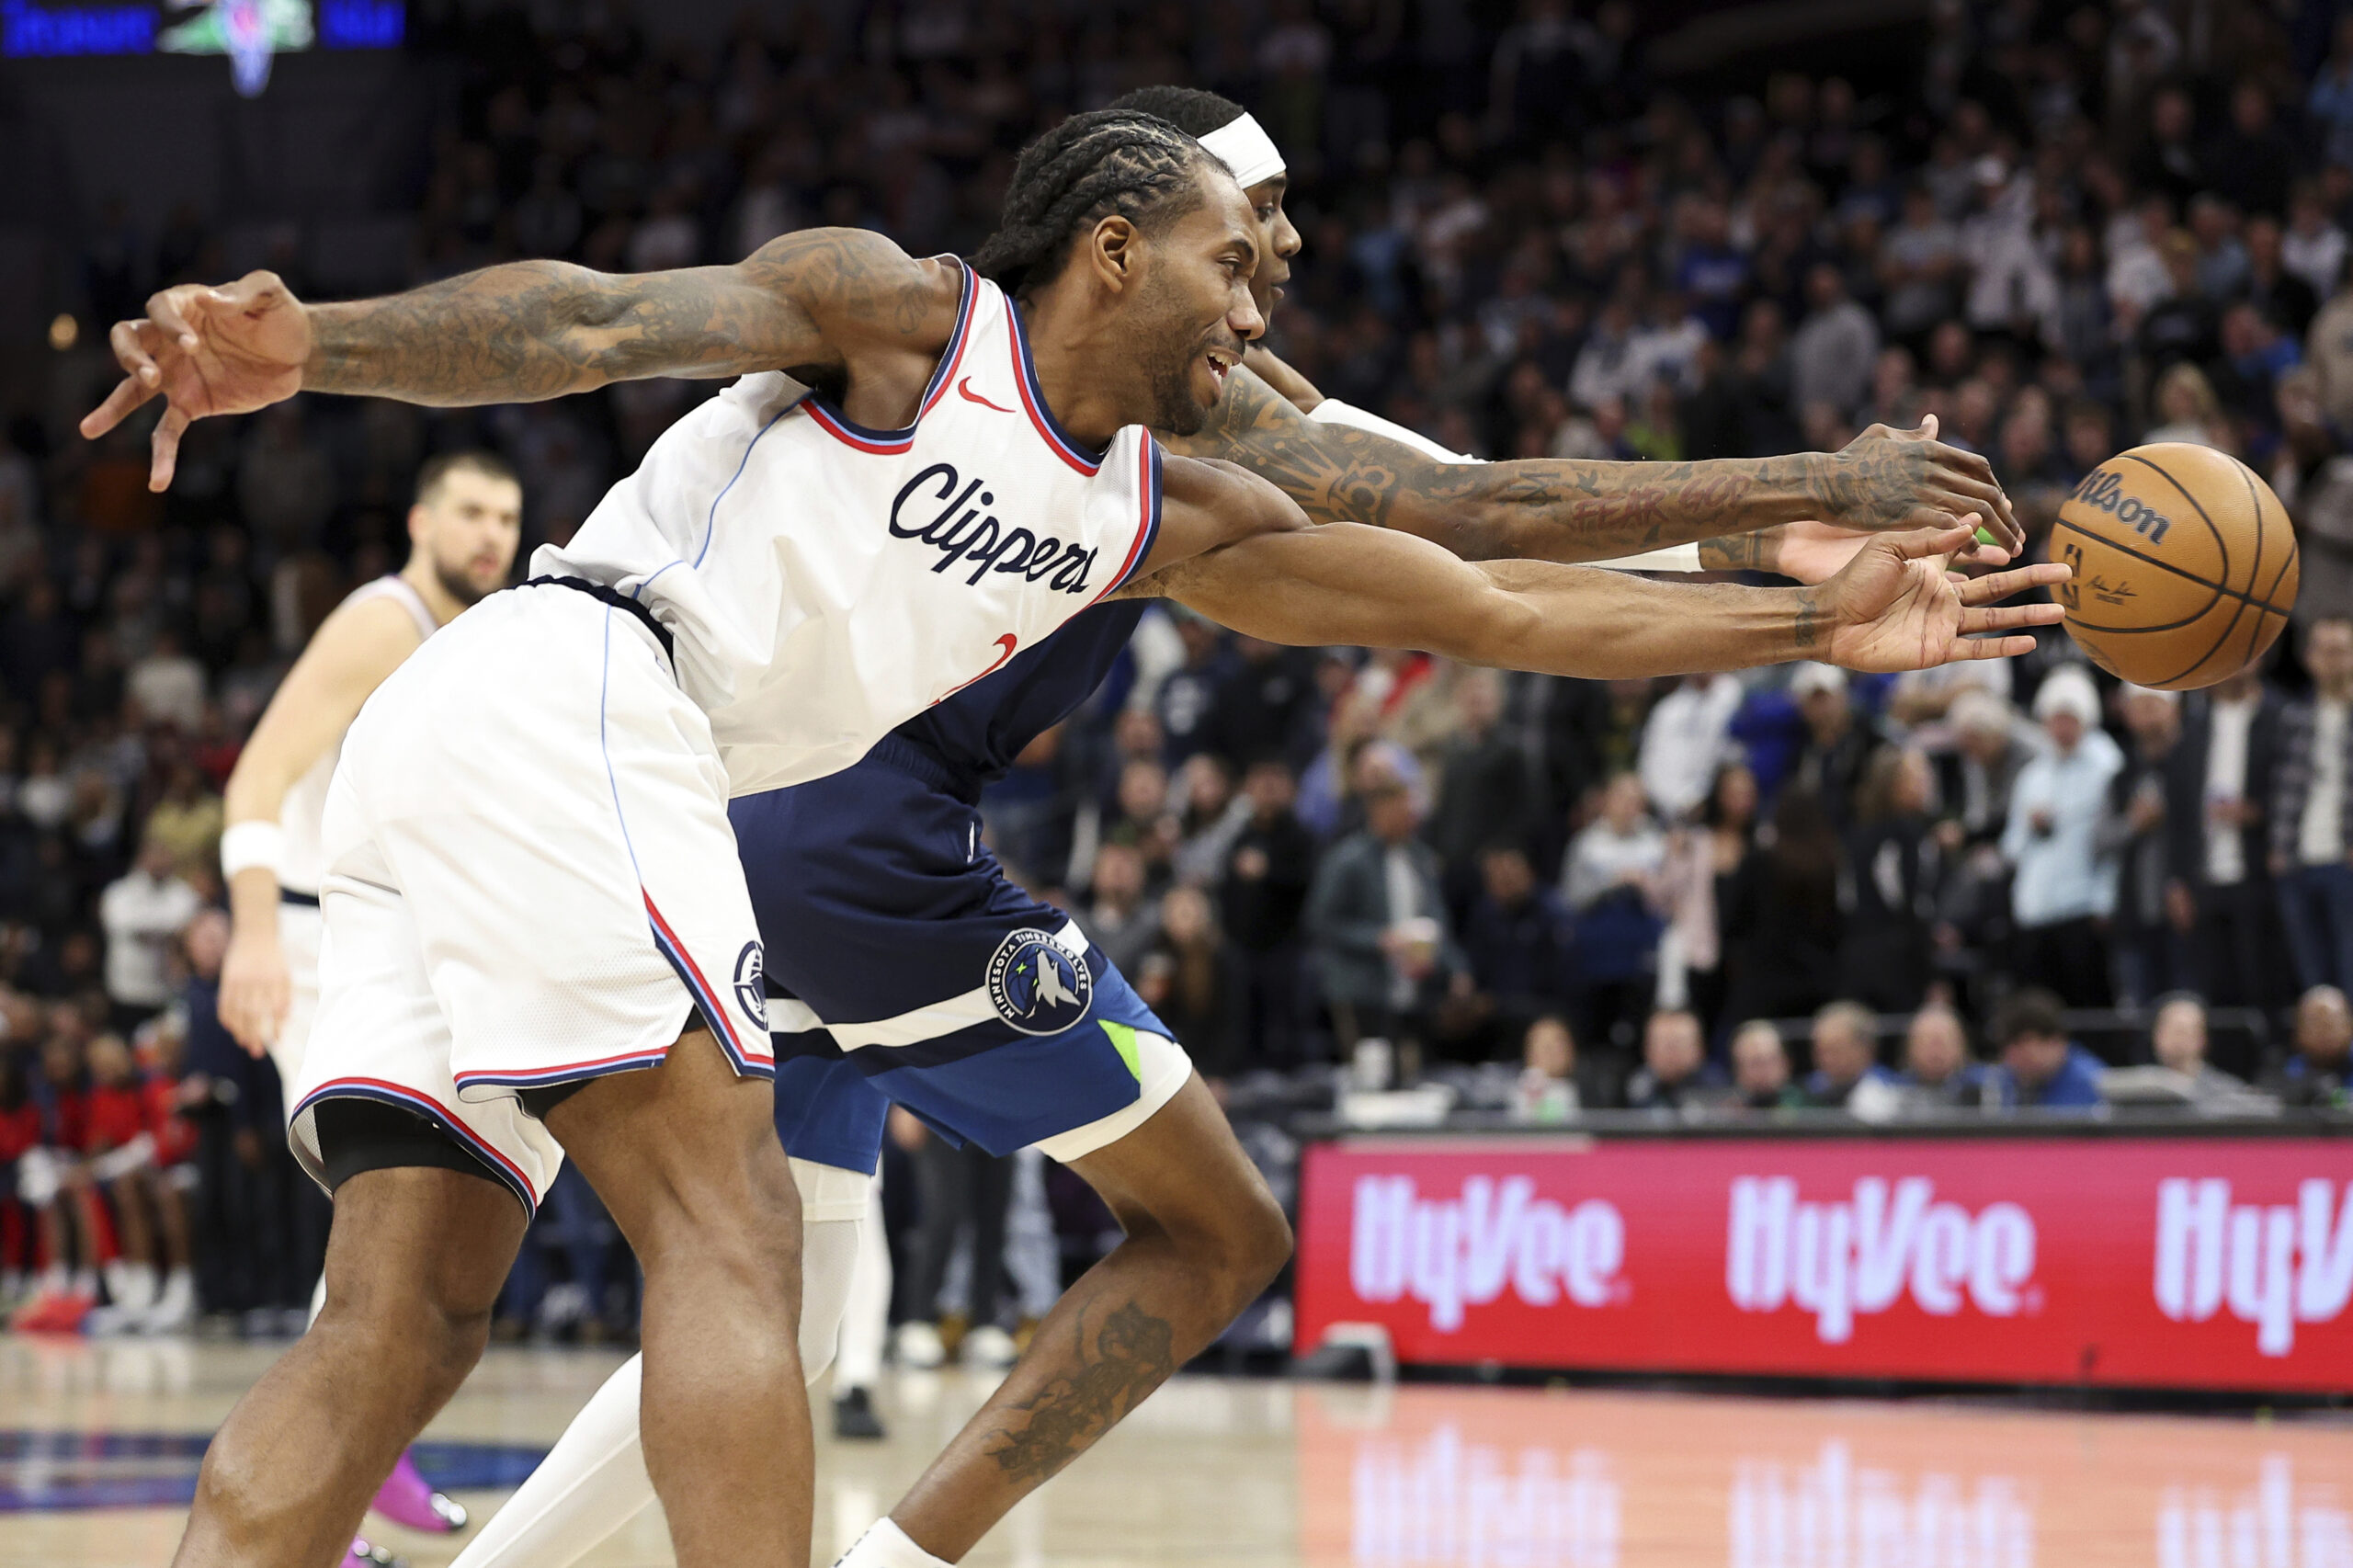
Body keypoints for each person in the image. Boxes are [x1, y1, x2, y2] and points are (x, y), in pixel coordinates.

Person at [168, 101, 2051, 1568]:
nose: (1262, 307)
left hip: (494, 756)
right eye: (1239, 261)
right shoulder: (908, 319)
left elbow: (1476, 560)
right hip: (584, 687)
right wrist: (309, 345)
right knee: (731, 1229)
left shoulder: (1156, 509)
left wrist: (1812, 606)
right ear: (1113, 243)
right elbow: (580, 323)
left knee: (401, 1323)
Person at [210, 449, 522, 1549]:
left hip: (383, 938)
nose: (492, 534)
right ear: (419, 520)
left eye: (508, 517)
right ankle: (332, 1492)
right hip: (307, 927)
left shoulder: (466, 638)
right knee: (371, 1209)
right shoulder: (382, 619)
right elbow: (255, 776)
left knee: (392, 1214)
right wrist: (252, 927)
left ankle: (365, 1461)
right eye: (471, 512)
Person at [2004, 666, 2122, 1007]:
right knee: (2042, 1007)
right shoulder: (2032, 776)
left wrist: (2105, 899)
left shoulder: (2107, 767)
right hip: (2034, 908)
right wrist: (2032, 826)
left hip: (2082, 905)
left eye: (2069, 717)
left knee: (2089, 1004)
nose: (2061, 727)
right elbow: (2011, 847)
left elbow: (2109, 845)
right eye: (2054, 718)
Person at [2271, 617, 2353, 993]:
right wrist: (2278, 845)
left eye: (2342, 651)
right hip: (2299, 858)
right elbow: (2280, 785)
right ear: (2308, 657)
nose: (2333, 660)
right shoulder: (2293, 715)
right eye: (2325, 650)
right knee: (2312, 982)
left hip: (2345, 858)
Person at [1986, 987, 2108, 1110]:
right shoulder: (2001, 1081)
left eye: (2022, 1043)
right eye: (2007, 1046)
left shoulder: (2094, 1082)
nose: (2012, 1055)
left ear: (2055, 1040)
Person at [2146, 992, 2251, 1099]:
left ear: (2202, 1038)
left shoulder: (2230, 1093)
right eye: (2170, 1031)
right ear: (2156, 1036)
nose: (2177, 1040)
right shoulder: (2143, 1089)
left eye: (2183, 1032)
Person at [2263, 985, 2353, 1108]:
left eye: (2331, 1024)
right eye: (2315, 1024)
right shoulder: (2285, 1072)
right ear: (2298, 1032)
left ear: (2349, 1027)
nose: (2324, 1033)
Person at [1803, 999, 1901, 1111]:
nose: (1826, 1059)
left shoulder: (1893, 1092)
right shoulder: (1807, 1091)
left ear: (1865, 1049)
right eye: (1820, 1051)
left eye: (1835, 1050)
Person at [1623, 1008, 1726, 1112]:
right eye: (1664, 1045)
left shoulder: (1718, 1087)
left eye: (1679, 1043)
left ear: (1700, 1049)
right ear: (1646, 1050)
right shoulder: (1637, 1088)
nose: (1671, 1054)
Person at [1899, 1004, 1990, 1108]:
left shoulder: (1985, 1088)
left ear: (1961, 1046)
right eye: (1926, 1043)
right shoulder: (1894, 1093)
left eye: (1943, 1043)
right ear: (1910, 1049)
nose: (1935, 1052)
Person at [1729, 1018, 1802, 1111]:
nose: (1764, 1070)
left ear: (1786, 1062)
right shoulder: (1727, 1114)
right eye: (1755, 1063)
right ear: (1738, 1070)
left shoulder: (1811, 1109)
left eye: (1771, 1060)